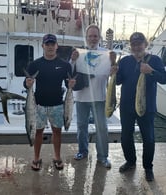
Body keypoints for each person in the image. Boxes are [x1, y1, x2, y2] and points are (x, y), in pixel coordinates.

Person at [116, 32, 166, 181]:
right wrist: (114, 73)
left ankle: (148, 167)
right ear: (131, 46)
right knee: (125, 137)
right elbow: (118, 81)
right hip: (126, 107)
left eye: (139, 43)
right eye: (134, 44)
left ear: (145, 44)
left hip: (147, 107)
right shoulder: (124, 61)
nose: (136, 46)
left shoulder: (155, 60)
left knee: (149, 138)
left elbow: (163, 79)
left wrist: (151, 71)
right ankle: (130, 162)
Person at [24, 34, 75, 171]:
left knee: (57, 132)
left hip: (58, 104)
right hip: (39, 104)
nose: (50, 47)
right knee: (38, 132)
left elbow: (68, 83)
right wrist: (28, 83)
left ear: (57, 46)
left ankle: (57, 157)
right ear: (43, 46)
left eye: (53, 44)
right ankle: (36, 158)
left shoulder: (65, 65)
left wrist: (71, 84)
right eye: (48, 44)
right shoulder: (35, 64)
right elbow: (26, 83)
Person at [71, 24, 116, 169]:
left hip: (100, 97)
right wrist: (72, 61)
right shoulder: (78, 53)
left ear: (99, 37)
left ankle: (103, 157)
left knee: (102, 128)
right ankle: (82, 151)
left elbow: (112, 73)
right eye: (90, 36)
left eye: (95, 36)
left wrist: (114, 64)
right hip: (81, 97)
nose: (92, 38)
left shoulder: (107, 53)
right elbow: (70, 72)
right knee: (81, 127)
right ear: (86, 37)